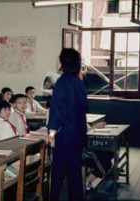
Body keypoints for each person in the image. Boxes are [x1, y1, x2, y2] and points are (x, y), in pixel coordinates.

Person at [48, 48, 88, 201]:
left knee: (57, 173)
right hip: (78, 134)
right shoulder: (78, 82)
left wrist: (51, 133)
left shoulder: (61, 82)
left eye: (59, 58)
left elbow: (56, 110)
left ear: (64, 62)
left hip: (65, 136)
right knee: (75, 174)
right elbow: (85, 107)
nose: (57, 60)